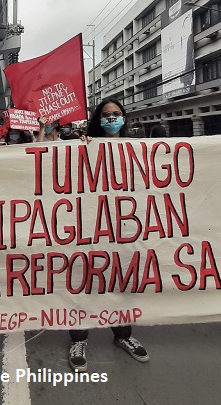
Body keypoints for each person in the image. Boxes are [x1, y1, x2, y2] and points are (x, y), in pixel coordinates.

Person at [67, 97, 149, 371]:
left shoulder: (137, 147)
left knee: (120, 282)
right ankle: (78, 338)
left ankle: (123, 335)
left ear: (124, 118)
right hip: (89, 226)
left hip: (124, 228)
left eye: (116, 114)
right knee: (84, 281)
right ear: (97, 118)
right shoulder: (84, 147)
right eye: (106, 114)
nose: (112, 118)